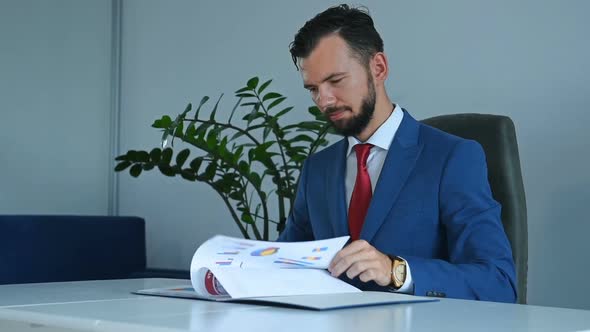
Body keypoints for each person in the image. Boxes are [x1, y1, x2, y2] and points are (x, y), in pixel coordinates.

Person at [278, 4, 517, 302]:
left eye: (336, 81)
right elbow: (285, 266)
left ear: (378, 67)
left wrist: (396, 271)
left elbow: (498, 282)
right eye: (312, 88)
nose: (324, 100)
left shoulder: (452, 158)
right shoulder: (317, 169)